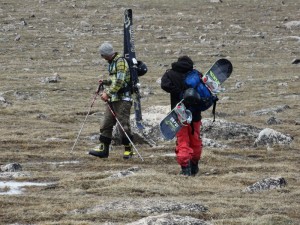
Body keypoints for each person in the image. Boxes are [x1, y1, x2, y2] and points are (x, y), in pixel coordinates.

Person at [89, 42, 134, 159]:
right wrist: (105, 82)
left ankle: (128, 149)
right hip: (113, 98)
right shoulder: (112, 63)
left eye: (102, 55)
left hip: (123, 99)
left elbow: (120, 81)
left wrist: (107, 93)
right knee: (106, 123)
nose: (102, 58)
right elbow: (114, 79)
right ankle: (103, 149)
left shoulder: (120, 62)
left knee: (123, 125)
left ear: (106, 54)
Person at [161, 56, 203, 176]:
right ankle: (194, 167)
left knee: (183, 141)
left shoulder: (170, 74)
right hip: (195, 114)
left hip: (179, 115)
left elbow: (164, 85)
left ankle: (185, 169)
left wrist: (179, 93)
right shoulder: (196, 74)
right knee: (195, 140)